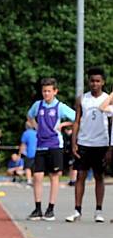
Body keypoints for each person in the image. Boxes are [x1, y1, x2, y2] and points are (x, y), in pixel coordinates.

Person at [26, 77, 75, 221]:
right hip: (40, 145)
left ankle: (50, 209)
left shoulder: (60, 106)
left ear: (55, 91)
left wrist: (63, 124)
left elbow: (76, 117)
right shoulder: (38, 105)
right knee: (37, 176)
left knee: (54, 176)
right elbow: (29, 116)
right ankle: (37, 208)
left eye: (49, 91)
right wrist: (35, 125)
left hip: (55, 145)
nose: (46, 94)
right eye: (44, 91)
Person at [66, 68, 109, 223]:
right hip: (84, 142)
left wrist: (110, 146)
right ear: (88, 82)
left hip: (101, 143)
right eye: (92, 81)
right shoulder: (82, 99)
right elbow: (77, 121)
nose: (94, 84)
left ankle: (99, 210)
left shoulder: (107, 99)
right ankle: (77, 210)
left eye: (98, 81)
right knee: (80, 176)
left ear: (103, 82)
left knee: (99, 177)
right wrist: (74, 142)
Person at [18, 121, 37, 186]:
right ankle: (36, 181)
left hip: (29, 153)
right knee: (35, 168)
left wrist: (20, 153)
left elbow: (23, 144)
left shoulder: (26, 133)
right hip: (37, 152)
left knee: (27, 167)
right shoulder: (36, 133)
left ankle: (29, 180)